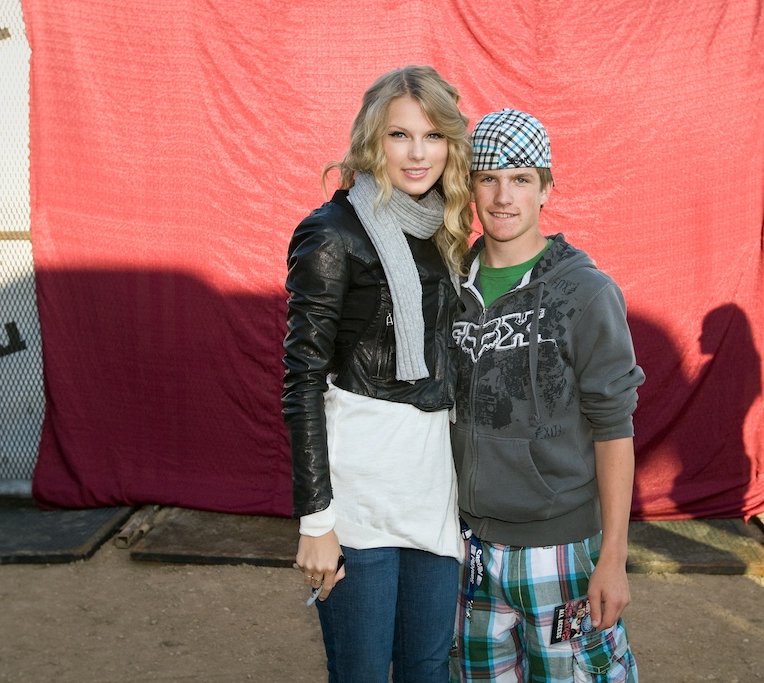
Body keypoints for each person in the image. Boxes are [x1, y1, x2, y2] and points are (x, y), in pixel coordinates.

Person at [282, 65, 473, 683]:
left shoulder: (445, 231)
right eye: (400, 135)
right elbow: (302, 381)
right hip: (358, 489)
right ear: (372, 139)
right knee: (362, 671)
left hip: (430, 482)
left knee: (426, 668)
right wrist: (317, 520)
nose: (418, 154)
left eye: (433, 135)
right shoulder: (331, 233)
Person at [449, 109, 645, 682]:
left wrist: (613, 557)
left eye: (521, 178)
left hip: (561, 552)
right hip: (468, 552)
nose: (503, 196)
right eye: (488, 178)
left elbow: (614, 428)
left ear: (546, 189)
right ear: (470, 188)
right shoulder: (447, 287)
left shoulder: (585, 293)